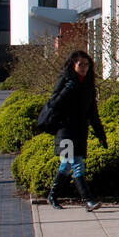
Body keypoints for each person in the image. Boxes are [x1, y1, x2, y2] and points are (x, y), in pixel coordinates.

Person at [45, 50, 108, 212]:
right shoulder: (65, 80)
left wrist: (101, 134)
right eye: (81, 64)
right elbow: (53, 103)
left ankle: (52, 196)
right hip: (65, 130)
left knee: (66, 165)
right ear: (73, 65)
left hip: (80, 131)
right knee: (77, 163)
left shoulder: (88, 86)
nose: (84, 68)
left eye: (87, 65)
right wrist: (68, 89)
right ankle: (88, 200)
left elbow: (92, 113)